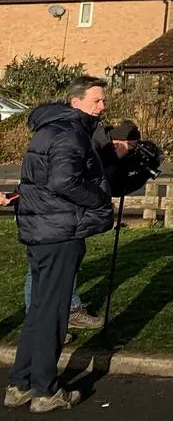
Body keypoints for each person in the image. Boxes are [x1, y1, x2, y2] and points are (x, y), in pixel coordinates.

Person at [6, 76, 114, 411]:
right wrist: (99, 199)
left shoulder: (48, 130)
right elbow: (63, 180)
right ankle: (44, 391)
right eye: (96, 100)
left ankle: (20, 384)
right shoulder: (70, 133)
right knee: (53, 314)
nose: (102, 106)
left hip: (41, 231)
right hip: (58, 233)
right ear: (75, 102)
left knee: (39, 310)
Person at [20, 119, 140, 331]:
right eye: (129, 148)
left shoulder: (96, 147)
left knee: (61, 266)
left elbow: (107, 183)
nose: (129, 153)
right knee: (41, 271)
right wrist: (97, 200)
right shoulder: (86, 145)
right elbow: (70, 182)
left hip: (61, 214)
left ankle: (61, 313)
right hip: (50, 215)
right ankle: (44, 323)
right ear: (117, 142)